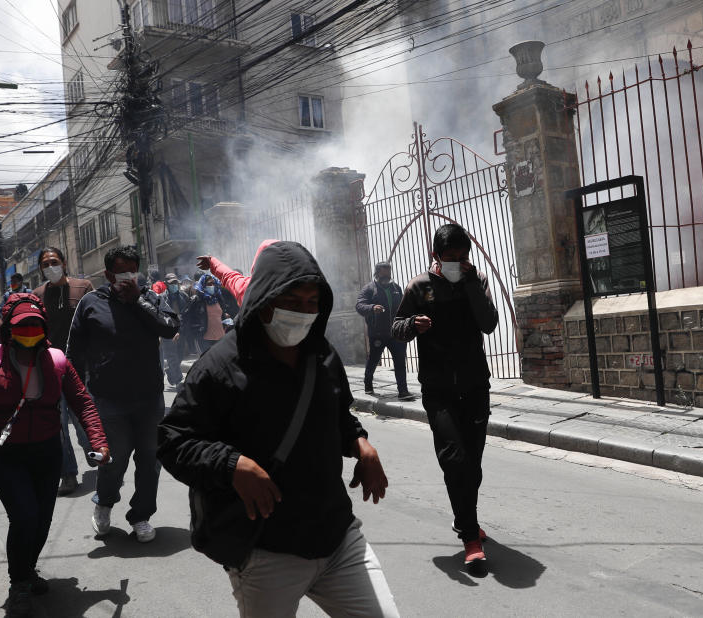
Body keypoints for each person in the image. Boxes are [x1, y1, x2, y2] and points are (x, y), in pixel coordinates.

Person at [158, 241, 398, 617]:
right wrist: (231, 464)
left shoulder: (322, 354)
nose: (303, 312)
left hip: (336, 536)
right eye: (292, 302)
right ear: (265, 300)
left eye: (311, 303)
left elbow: (338, 414)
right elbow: (174, 440)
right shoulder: (219, 366)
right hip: (265, 551)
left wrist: (360, 443)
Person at [0, 293, 110, 617]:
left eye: (35, 325)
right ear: (7, 328)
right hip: (5, 455)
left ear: (44, 328)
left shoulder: (58, 361)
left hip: (47, 452)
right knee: (25, 516)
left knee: (42, 521)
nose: (30, 331)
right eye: (22, 326)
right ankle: (19, 584)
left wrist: (98, 441)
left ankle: (27, 572)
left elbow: (83, 402)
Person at [391, 223, 499, 566]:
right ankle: (470, 536)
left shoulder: (477, 279)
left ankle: (465, 515)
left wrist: (469, 282)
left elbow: (489, 323)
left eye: (462, 256)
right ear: (435, 256)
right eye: (450, 258)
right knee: (454, 458)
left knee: (475, 463)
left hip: (474, 385)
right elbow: (396, 326)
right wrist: (412, 326)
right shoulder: (420, 287)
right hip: (438, 389)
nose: (457, 262)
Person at [68, 245, 179, 543]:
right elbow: (74, 352)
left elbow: (169, 328)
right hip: (107, 400)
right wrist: (77, 396)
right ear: (108, 274)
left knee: (149, 459)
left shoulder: (151, 298)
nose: (128, 277)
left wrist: (137, 302)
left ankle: (141, 515)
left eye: (132, 270)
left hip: (149, 399)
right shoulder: (91, 302)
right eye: (121, 272)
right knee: (113, 460)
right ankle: (104, 503)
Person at [31, 247, 95, 496]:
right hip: (49, 369)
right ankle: (67, 474)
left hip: (82, 368)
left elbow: (96, 322)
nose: (50, 267)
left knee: (82, 420)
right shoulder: (37, 295)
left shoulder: (84, 287)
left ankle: (94, 451)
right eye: (45, 264)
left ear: (64, 263)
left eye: (54, 262)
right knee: (57, 425)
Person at [356, 261, 411, 399]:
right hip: (378, 334)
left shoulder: (396, 288)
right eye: (384, 272)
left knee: (399, 362)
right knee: (373, 360)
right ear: (377, 273)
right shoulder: (369, 289)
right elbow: (359, 305)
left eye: (389, 272)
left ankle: (403, 391)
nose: (387, 275)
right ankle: (368, 384)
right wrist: (372, 308)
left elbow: (405, 307)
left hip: (396, 333)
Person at [195, 239, 278, 307]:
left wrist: (212, 262)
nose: (211, 286)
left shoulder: (250, 288)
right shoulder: (290, 286)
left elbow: (229, 276)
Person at [184, 273, 238, 355]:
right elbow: (186, 317)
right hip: (205, 338)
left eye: (213, 283)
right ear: (203, 285)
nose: (212, 286)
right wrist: (196, 331)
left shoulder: (218, 298)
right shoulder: (197, 300)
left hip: (220, 337)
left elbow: (222, 314)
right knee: (206, 363)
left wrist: (225, 320)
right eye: (209, 284)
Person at [159, 273, 190, 390]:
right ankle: (178, 381)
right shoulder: (161, 298)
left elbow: (187, 314)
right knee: (172, 357)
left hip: (181, 330)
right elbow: (159, 316)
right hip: (168, 332)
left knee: (180, 355)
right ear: (166, 284)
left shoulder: (184, 296)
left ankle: (171, 373)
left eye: (175, 283)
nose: (174, 285)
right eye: (171, 283)